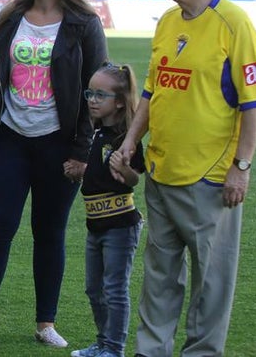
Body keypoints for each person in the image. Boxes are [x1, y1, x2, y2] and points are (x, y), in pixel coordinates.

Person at [119, 0, 256, 357]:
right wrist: (131, 140)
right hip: (161, 174)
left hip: (210, 180)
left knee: (211, 283)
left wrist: (242, 167)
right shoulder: (167, 22)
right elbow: (152, 91)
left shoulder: (235, 26)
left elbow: (254, 105)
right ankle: (151, 352)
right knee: (158, 279)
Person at [0, 0, 107, 351]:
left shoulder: (84, 24)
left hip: (58, 147)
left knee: (50, 232)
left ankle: (46, 323)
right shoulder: (10, 18)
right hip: (9, 140)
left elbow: (96, 93)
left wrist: (81, 151)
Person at [70, 63, 143, 357]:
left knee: (114, 290)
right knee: (93, 289)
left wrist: (124, 170)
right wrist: (80, 171)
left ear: (121, 101)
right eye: (90, 93)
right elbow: (97, 172)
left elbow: (135, 178)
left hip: (120, 226)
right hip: (95, 225)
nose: (92, 100)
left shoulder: (125, 137)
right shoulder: (97, 132)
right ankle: (102, 343)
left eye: (101, 95)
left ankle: (113, 348)